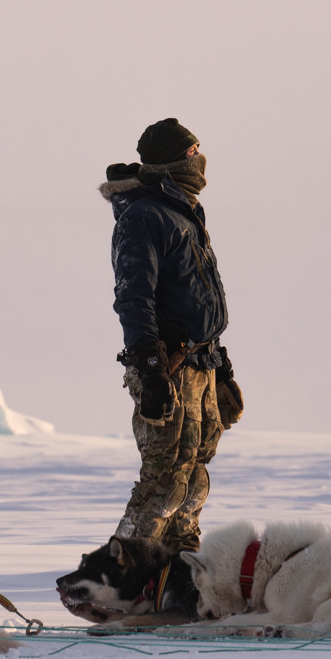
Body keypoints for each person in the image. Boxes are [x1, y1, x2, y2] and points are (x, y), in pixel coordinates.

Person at [99, 117, 242, 552]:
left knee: (194, 471)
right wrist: (151, 369)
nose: (201, 161)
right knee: (164, 479)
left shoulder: (183, 211)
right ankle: (118, 579)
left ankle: (177, 569)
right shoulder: (144, 217)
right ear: (174, 163)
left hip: (201, 363)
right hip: (168, 366)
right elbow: (133, 298)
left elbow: (195, 298)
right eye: (193, 154)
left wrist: (221, 366)